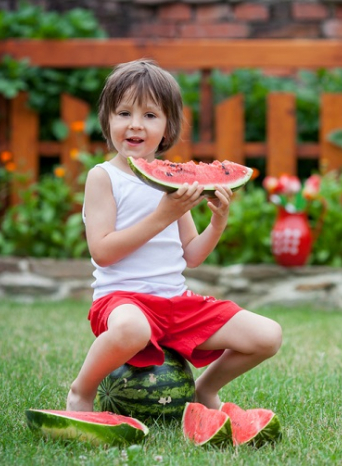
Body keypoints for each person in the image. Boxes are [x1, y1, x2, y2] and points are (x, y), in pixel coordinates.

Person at [66, 59, 282, 412]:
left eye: (150, 115)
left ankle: (204, 390)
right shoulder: (103, 177)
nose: (135, 125)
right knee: (133, 330)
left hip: (176, 303)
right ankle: (81, 392)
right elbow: (103, 252)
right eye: (124, 113)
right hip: (122, 302)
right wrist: (162, 215)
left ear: (167, 129)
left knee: (267, 335)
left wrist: (218, 223)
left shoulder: (176, 180)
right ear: (107, 120)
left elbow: (192, 256)